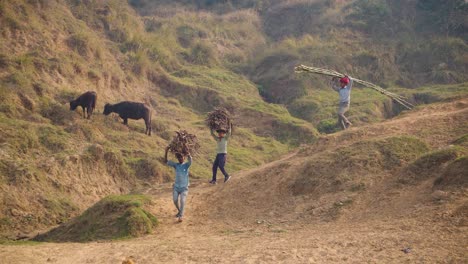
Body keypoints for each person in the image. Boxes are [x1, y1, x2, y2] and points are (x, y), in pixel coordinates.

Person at [164, 147, 192, 222]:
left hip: (184, 188)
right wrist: (166, 151)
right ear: (178, 158)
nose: (180, 159)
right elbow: (166, 161)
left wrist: (188, 154)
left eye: (181, 157)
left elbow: (190, 161)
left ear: (184, 158)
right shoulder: (176, 165)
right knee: (175, 200)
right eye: (179, 158)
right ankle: (180, 211)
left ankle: (181, 216)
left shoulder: (186, 165)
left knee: (182, 200)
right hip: (176, 187)